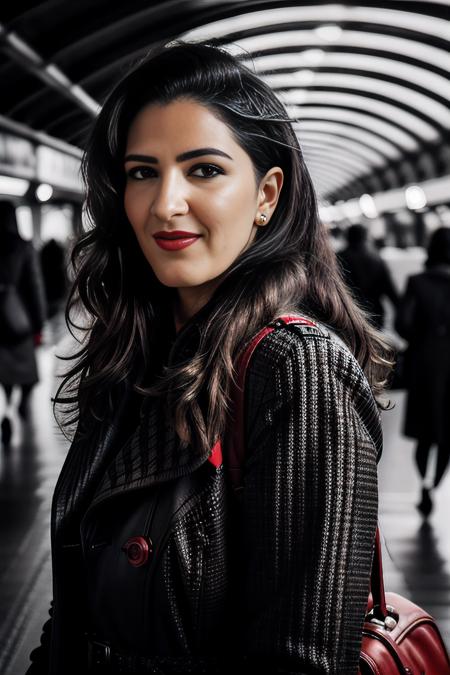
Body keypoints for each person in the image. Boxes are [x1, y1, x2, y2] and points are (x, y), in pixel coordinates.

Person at [27, 41, 392, 675]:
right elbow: (75, 614)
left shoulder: (298, 369)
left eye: (204, 170)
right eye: (142, 172)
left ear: (267, 195)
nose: (165, 203)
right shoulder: (137, 356)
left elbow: (300, 661)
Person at [395, 227, 450, 517]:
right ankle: (435, 483)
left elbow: (404, 324)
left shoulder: (417, 282)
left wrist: (421, 337)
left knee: (425, 432)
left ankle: (424, 485)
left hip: (424, 365)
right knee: (445, 434)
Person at [0, 201, 46, 446]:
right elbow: (34, 286)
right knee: (26, 373)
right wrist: (39, 324)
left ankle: (7, 407)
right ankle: (17, 406)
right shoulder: (23, 247)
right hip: (19, 321)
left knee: (4, 371)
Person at [337, 224, 399, 329]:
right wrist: (399, 308)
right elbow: (389, 289)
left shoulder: (339, 258)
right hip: (374, 313)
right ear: (366, 237)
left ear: (347, 238)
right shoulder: (376, 259)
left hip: (348, 312)